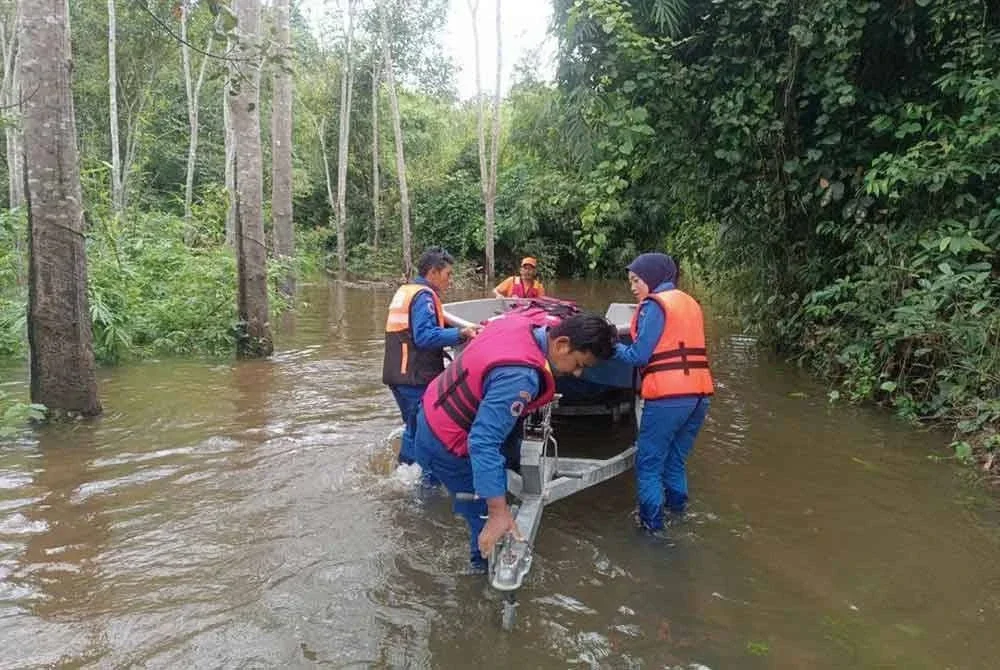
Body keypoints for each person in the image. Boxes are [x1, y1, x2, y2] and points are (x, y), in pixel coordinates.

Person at [413, 312, 618, 572]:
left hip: (429, 409)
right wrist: (497, 511)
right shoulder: (520, 377)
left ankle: (425, 497)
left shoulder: (519, 324)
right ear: (562, 344)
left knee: (506, 451)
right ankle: (482, 574)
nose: (577, 374)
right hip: (445, 441)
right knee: (484, 519)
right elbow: (483, 442)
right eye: (580, 364)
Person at [613, 253, 713, 533]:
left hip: (669, 397)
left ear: (653, 278)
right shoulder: (689, 302)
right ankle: (679, 514)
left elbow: (639, 354)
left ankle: (652, 529)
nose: (633, 288)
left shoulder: (654, 306)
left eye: (636, 280)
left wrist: (610, 346)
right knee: (675, 461)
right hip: (699, 395)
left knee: (649, 465)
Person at [382, 247, 479, 467]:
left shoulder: (408, 290)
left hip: (398, 374)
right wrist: (460, 333)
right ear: (433, 273)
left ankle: (406, 471)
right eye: (448, 274)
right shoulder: (424, 297)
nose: (450, 280)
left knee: (413, 426)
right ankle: (414, 475)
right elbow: (424, 336)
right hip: (414, 377)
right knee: (422, 429)